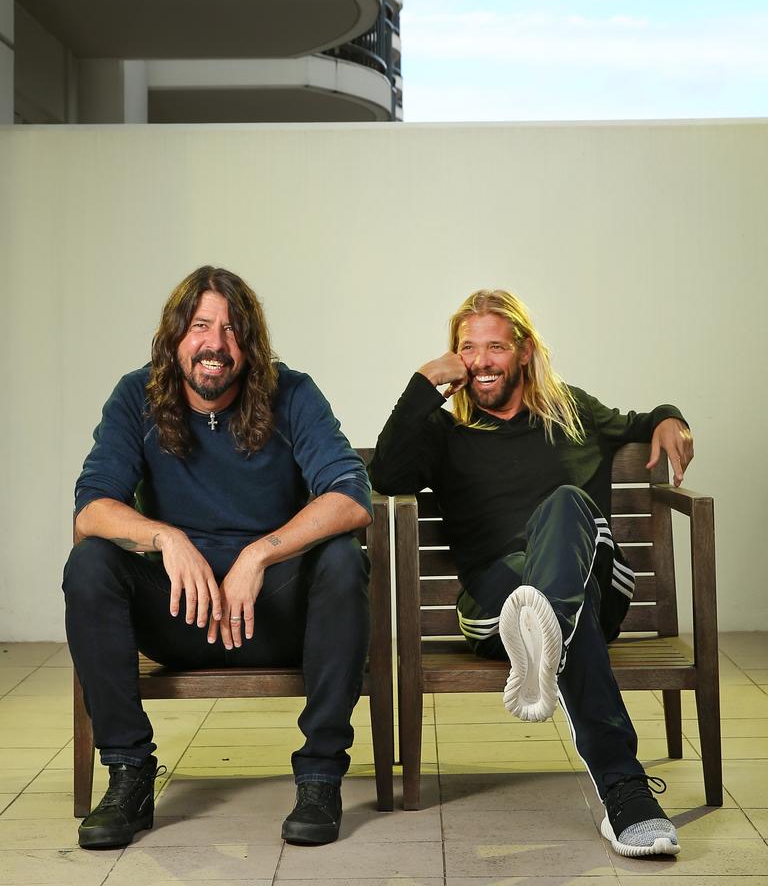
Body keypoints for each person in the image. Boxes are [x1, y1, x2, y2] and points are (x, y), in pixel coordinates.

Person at [369, 289, 694, 860]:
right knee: (555, 610)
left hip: (595, 579)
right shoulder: (445, 433)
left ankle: (549, 625)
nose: (481, 360)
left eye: (495, 345)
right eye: (468, 348)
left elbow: (644, 420)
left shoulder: (571, 412)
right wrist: (423, 384)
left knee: (566, 505)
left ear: (522, 351)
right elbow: (388, 474)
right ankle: (625, 792)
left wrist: (671, 419)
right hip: (495, 609)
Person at [64, 266, 372, 850]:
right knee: (90, 564)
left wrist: (258, 555)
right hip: (179, 614)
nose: (215, 343)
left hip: (274, 618)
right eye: (200, 326)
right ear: (175, 337)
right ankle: (129, 773)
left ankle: (319, 776)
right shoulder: (137, 396)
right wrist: (166, 538)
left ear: (249, 344)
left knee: (341, 559)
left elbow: (350, 496)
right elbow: (92, 508)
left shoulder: (293, 393)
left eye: (231, 330)